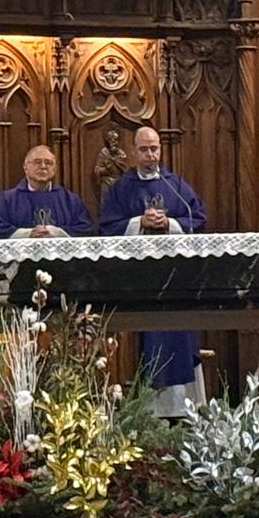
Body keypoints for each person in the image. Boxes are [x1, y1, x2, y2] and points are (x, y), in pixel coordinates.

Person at [98, 126, 207, 417]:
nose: (150, 155)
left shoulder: (175, 185)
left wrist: (169, 223)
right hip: (136, 280)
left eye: (155, 148)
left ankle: (184, 410)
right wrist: (139, 221)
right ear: (133, 151)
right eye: (144, 149)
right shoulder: (121, 188)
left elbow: (198, 217)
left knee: (178, 332)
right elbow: (106, 227)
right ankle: (144, 412)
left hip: (173, 277)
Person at [0, 145, 92, 239]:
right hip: (21, 261)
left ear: (55, 169)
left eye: (48, 163)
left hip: (61, 262)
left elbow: (85, 228)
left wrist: (56, 232)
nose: (43, 166)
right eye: (37, 162)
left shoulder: (70, 200)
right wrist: (27, 234)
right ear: (25, 168)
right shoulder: (8, 199)